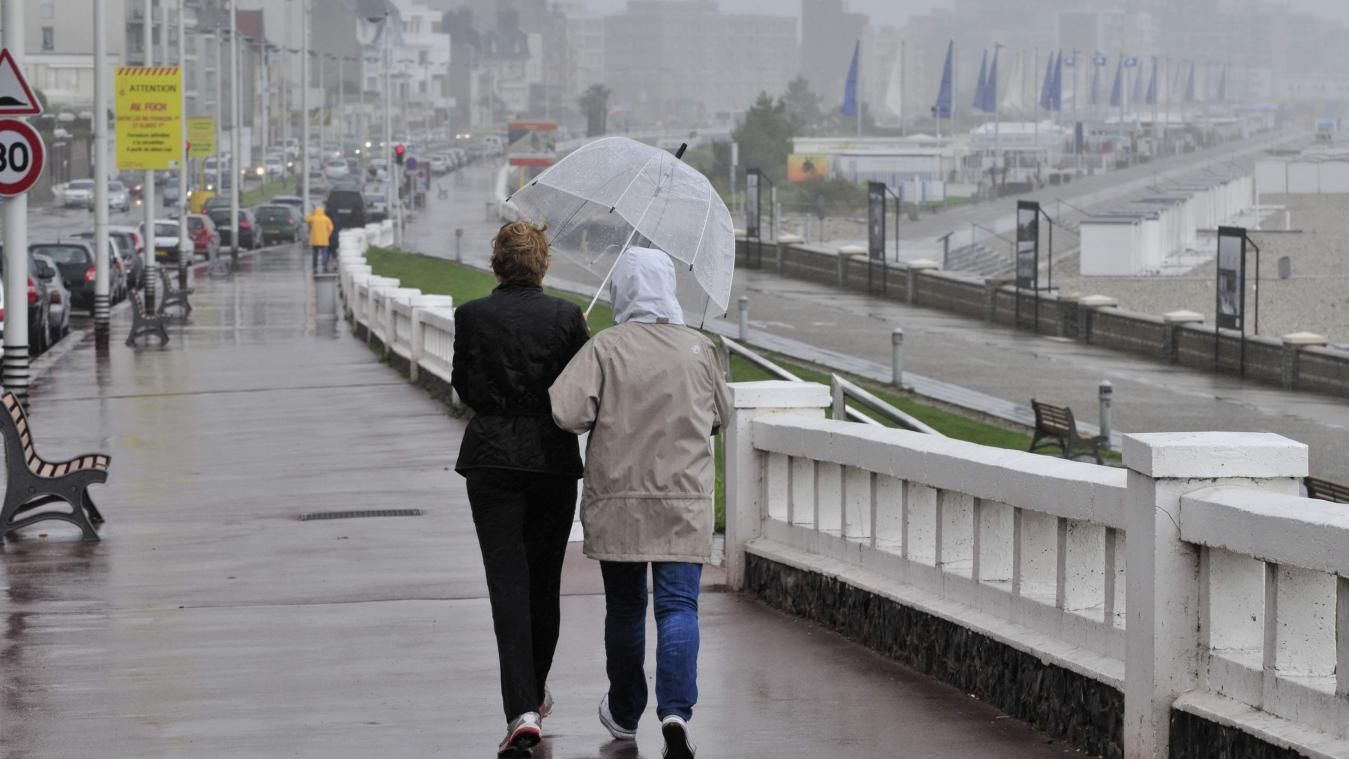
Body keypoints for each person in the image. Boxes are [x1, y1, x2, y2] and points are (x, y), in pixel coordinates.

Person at [550, 247, 730, 759]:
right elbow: (722, 415)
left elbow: (566, 413)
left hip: (619, 503)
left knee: (627, 608)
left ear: (621, 292)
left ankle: (626, 711)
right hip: (683, 501)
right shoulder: (698, 349)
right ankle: (675, 711)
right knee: (678, 607)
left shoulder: (605, 348)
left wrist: (578, 353)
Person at [451, 221, 590, 757]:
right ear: (543, 264)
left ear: (497, 263)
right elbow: (580, 392)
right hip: (550, 460)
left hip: (490, 460)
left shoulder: (471, 316)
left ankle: (522, 707)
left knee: (506, 582)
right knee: (543, 580)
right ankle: (532, 690)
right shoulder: (565, 317)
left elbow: (464, 387)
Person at [305, 204, 334, 272]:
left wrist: (311, 214)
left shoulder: (313, 218)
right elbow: (331, 228)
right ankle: (324, 266)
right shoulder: (326, 219)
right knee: (324, 253)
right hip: (324, 239)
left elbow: (306, 219)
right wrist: (327, 235)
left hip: (315, 240)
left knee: (315, 253)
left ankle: (315, 266)